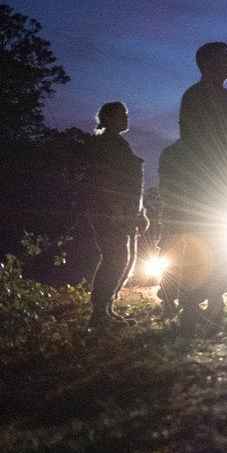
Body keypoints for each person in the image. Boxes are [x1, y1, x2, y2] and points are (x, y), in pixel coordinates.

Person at [164, 41, 227, 332]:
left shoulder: (226, 97)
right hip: (207, 183)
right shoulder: (196, 96)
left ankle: (213, 300)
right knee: (206, 245)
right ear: (208, 63)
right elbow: (194, 143)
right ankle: (190, 305)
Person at [79, 101, 147, 330]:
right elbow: (101, 181)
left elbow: (131, 184)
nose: (127, 118)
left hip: (122, 212)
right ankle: (99, 314)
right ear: (108, 118)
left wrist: (139, 213)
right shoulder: (105, 144)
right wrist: (114, 210)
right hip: (108, 212)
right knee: (116, 257)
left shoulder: (117, 143)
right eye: (122, 114)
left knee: (122, 258)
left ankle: (105, 311)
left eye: (126, 114)